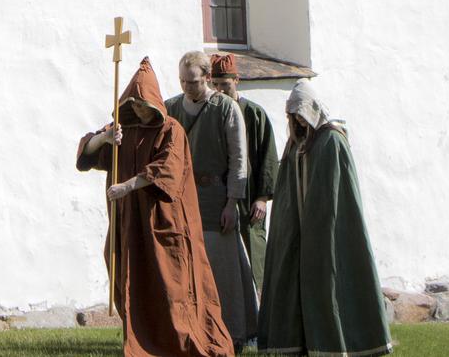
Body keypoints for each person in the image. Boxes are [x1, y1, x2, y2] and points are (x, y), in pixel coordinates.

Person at [77, 57, 235, 357]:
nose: (137, 110)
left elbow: (166, 170)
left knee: (171, 285)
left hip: (162, 224)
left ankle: (181, 343)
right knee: (128, 281)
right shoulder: (121, 130)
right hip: (128, 226)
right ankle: (143, 340)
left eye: (141, 104)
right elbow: (86, 152)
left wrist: (128, 185)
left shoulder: (170, 130)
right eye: (132, 104)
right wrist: (104, 138)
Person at [257, 81, 392, 357]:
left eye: (301, 113)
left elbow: (338, 194)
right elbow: (287, 193)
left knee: (330, 283)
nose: (297, 120)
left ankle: (339, 343)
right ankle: (299, 343)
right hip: (298, 235)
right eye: (292, 115)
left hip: (326, 232)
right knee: (292, 284)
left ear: (313, 109)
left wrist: (320, 226)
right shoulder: (295, 146)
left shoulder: (332, 141)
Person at [165, 51, 258, 347]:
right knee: (186, 271)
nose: (186, 87)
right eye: (182, 81)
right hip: (182, 201)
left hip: (216, 201)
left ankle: (234, 333)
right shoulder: (170, 108)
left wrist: (232, 202)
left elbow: (238, 158)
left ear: (206, 77)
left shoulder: (226, 108)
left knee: (223, 271)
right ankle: (192, 332)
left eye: (192, 81)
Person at [209, 54, 278, 294]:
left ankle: (261, 309)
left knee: (254, 256)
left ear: (236, 80)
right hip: (219, 197)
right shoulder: (210, 113)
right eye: (215, 85)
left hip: (250, 200)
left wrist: (262, 197)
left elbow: (267, 157)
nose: (219, 90)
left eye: (224, 85)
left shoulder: (254, 114)